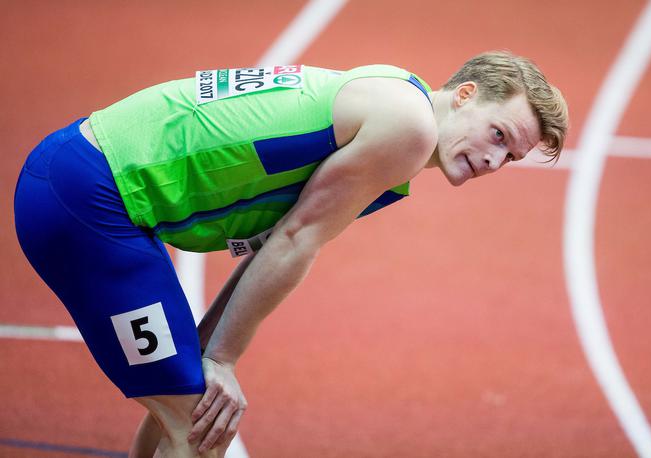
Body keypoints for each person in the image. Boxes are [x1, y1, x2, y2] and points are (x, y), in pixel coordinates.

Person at [14, 51, 568, 457]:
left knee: (189, 410)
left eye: (511, 157)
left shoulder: (398, 97)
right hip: (90, 198)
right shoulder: (409, 129)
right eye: (498, 134)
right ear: (466, 94)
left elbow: (276, 238)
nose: (496, 162)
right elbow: (296, 239)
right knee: (204, 429)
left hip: (81, 178)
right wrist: (223, 360)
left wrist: (213, 348)